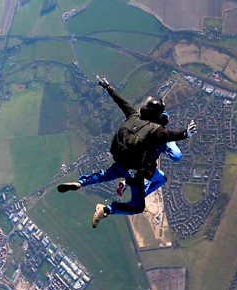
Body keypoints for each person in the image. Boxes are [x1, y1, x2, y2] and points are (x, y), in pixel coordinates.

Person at [57, 76, 197, 228]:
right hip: (137, 172)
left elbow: (121, 102)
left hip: (122, 163)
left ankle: (81, 182)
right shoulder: (157, 133)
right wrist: (185, 134)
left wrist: (107, 87)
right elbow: (171, 138)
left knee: (105, 174)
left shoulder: (133, 115)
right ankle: (106, 209)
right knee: (139, 205)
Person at [116, 111, 182, 197]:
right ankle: (141, 193)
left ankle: (127, 184)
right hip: (147, 166)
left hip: (135, 163)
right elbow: (177, 156)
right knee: (162, 179)